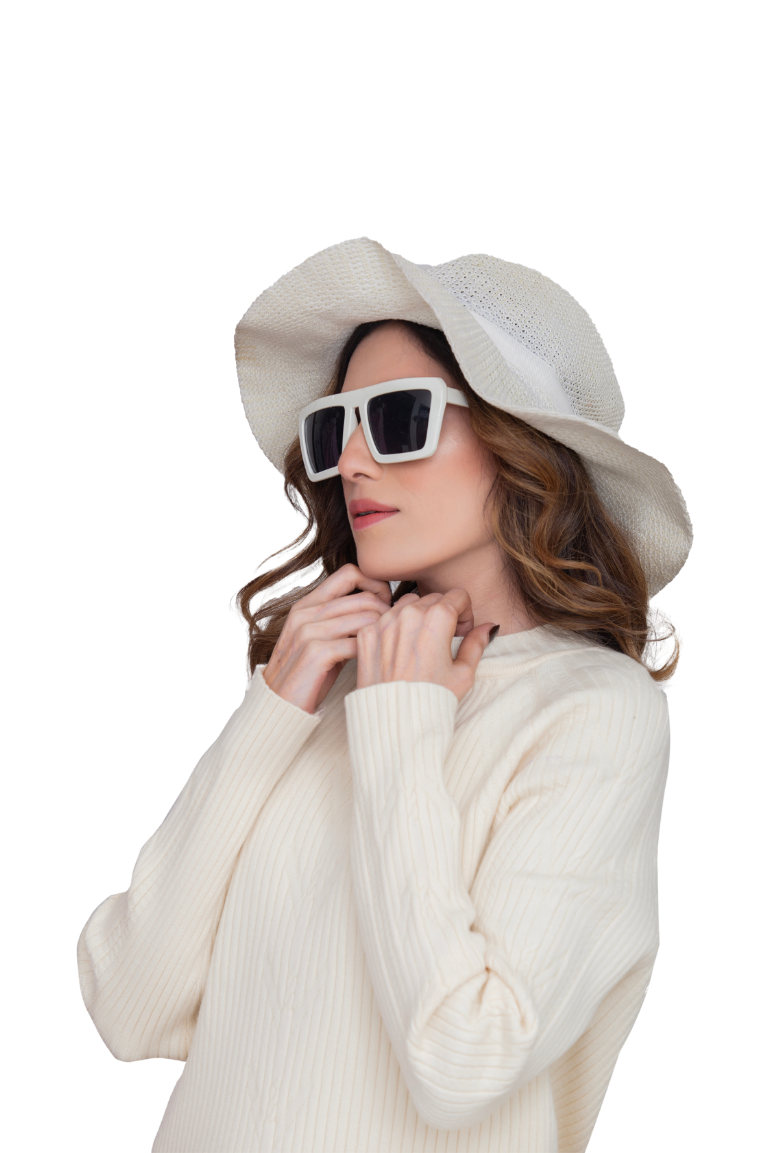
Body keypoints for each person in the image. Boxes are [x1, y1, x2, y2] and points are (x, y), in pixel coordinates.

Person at [77, 237, 692, 1153]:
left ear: (516, 446)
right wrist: (273, 707)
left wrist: (402, 722)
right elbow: (128, 1004)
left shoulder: (593, 711)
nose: (353, 462)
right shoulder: (325, 690)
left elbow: (464, 1059)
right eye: (335, 430)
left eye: (399, 417)